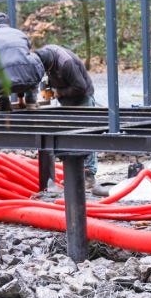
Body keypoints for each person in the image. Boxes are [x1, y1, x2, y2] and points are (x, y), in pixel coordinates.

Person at [35, 42, 102, 191]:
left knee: (87, 136)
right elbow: (45, 76)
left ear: (51, 64)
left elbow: (80, 87)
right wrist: (45, 89)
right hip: (66, 100)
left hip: (82, 98)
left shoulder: (66, 63)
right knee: (71, 136)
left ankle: (89, 176)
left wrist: (58, 92)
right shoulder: (43, 57)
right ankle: (76, 175)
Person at [0, 12, 43, 111]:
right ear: (8, 24)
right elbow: (22, 63)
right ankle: (31, 101)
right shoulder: (21, 34)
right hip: (29, 81)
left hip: (2, 84)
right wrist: (21, 97)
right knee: (31, 60)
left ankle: (4, 104)